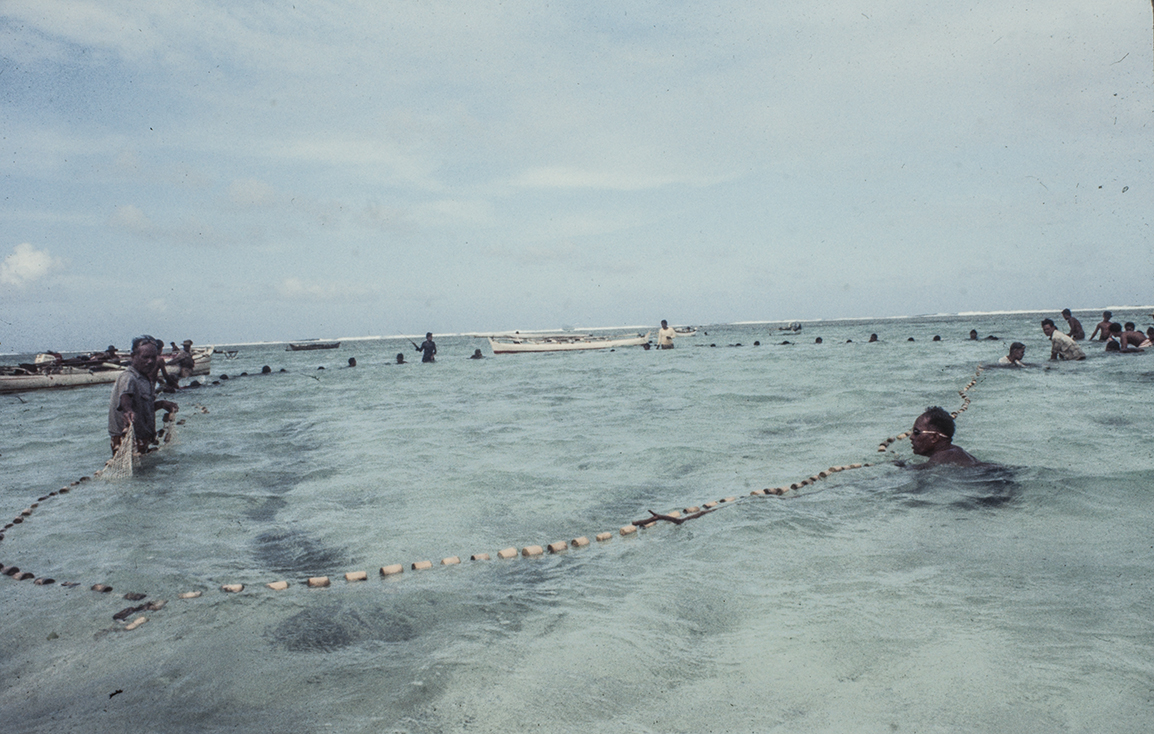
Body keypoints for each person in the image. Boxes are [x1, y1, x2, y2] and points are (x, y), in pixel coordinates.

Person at [108, 336, 178, 455]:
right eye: (145, 357)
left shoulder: (144, 378)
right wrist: (127, 410)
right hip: (128, 442)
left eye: (153, 357)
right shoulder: (128, 377)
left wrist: (161, 404)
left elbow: (141, 408)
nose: (150, 361)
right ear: (133, 356)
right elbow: (125, 397)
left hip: (143, 440)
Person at [902, 406, 985, 468]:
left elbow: (923, 472)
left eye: (916, 432)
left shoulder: (944, 456)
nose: (911, 437)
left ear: (934, 437)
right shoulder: (954, 452)